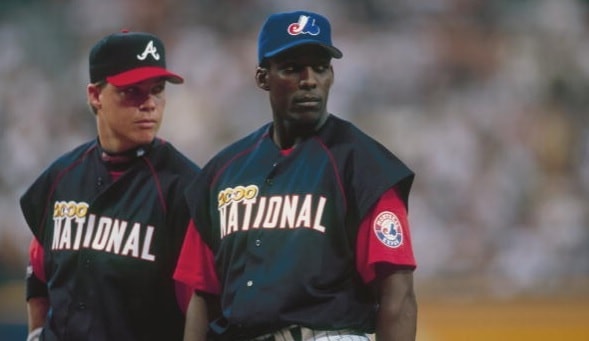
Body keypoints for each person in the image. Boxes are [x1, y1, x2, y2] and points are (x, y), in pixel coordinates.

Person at [174, 10, 417, 341]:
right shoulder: (222, 172)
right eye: (292, 68)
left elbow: (397, 293)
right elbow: (202, 293)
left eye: (320, 67)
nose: (309, 80)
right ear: (263, 78)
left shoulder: (364, 164)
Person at [20, 30, 201, 341]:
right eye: (131, 91)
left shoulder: (184, 188)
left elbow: (200, 304)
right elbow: (37, 277)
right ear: (95, 95)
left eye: (157, 90)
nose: (149, 104)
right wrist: (36, 333)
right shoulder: (60, 178)